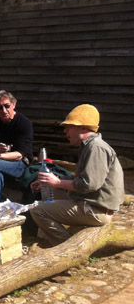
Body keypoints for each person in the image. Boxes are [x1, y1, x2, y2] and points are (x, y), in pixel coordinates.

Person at [30, 104, 124, 247]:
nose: (65, 130)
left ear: (84, 128)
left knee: (37, 210)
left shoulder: (96, 148)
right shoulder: (89, 146)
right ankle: (46, 241)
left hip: (96, 211)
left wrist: (57, 183)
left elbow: (88, 184)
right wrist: (49, 182)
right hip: (92, 205)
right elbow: (79, 180)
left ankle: (67, 248)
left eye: (69, 126)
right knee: (52, 190)